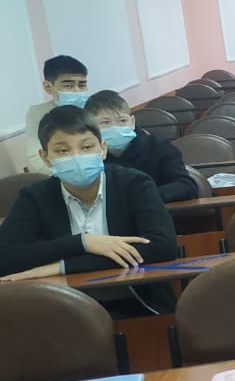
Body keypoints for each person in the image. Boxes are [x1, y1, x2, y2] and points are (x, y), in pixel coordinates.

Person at [0, 106, 180, 315]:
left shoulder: (134, 183)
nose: (77, 157)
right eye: (63, 151)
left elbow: (163, 246)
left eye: (86, 147)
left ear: (102, 149)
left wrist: (61, 267)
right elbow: (5, 257)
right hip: (63, 312)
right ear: (45, 157)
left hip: (141, 305)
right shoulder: (34, 196)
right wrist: (83, 242)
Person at [84, 91, 198, 203]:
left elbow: (187, 186)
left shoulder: (160, 148)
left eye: (122, 120)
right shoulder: (86, 157)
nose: (116, 127)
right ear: (91, 127)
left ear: (132, 122)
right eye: (105, 122)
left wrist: (144, 197)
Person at [25, 55, 90, 175]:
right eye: (68, 86)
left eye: (82, 85)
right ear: (48, 87)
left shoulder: (96, 109)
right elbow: (35, 160)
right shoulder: (38, 113)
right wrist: (69, 174)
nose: (77, 91)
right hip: (59, 177)